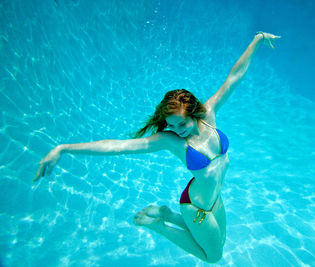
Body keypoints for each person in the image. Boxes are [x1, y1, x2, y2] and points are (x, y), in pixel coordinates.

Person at [34, 32, 280, 263]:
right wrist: (64, 148)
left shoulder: (209, 114)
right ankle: (158, 225)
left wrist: (257, 39)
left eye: (182, 123)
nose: (178, 130)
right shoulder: (169, 140)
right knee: (213, 256)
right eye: (171, 125)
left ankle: (167, 214)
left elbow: (234, 77)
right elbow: (117, 146)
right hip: (197, 207)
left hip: (214, 197)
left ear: (193, 111)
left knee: (222, 240)